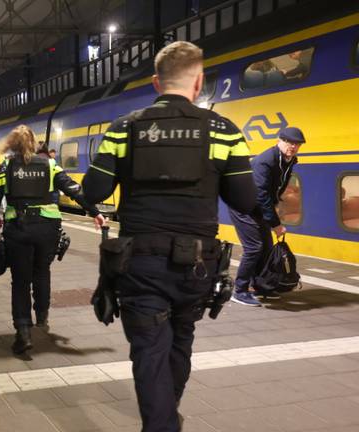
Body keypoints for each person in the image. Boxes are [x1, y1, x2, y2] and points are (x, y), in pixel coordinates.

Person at [82, 41, 257, 431]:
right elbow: (244, 200)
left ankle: (161, 423)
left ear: (156, 83)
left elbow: (93, 192)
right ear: (198, 82)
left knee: (148, 351)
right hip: (197, 264)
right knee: (181, 339)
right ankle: (167, 417)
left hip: (139, 262)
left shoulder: (125, 127)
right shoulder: (223, 130)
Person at [0, 125, 105, 354]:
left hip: (19, 228)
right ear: (34, 144)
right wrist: (95, 212)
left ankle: (23, 332)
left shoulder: (5, 167)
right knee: (42, 273)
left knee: (21, 281)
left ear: (12, 145)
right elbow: (75, 190)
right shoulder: (50, 165)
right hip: (47, 229)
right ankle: (42, 321)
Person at [230, 127, 305, 306]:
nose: (293, 147)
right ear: (279, 140)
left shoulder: (289, 160)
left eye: (297, 144)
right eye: (289, 142)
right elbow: (261, 195)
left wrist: (277, 204)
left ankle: (260, 286)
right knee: (254, 247)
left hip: (258, 207)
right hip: (243, 206)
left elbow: (276, 188)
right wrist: (276, 224)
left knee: (267, 246)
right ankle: (239, 290)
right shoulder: (265, 161)